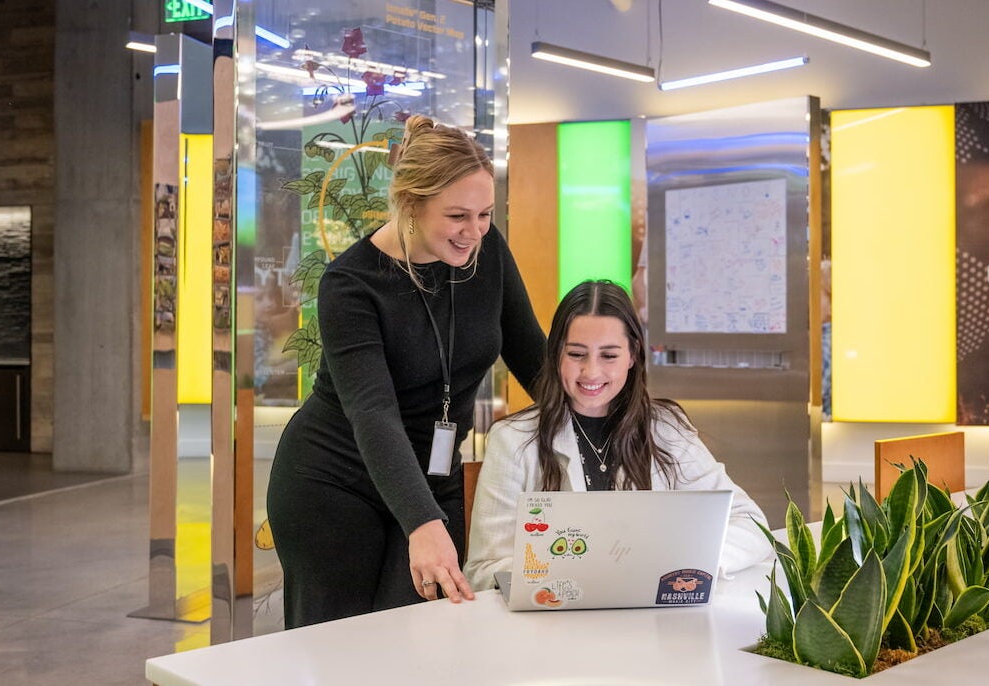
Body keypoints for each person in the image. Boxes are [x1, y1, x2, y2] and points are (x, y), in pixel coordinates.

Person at [266, 114, 546, 628]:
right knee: (339, 652)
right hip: (335, 480)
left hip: (432, 475)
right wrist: (422, 521)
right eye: (458, 215)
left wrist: (618, 421)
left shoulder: (488, 252)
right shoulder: (350, 285)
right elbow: (372, 412)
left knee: (422, 642)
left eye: (484, 214)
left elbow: (533, 357)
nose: (474, 232)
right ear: (410, 205)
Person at [464, 280, 774, 590]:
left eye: (609, 356)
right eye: (576, 354)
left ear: (632, 355)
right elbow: (484, 569)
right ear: (556, 354)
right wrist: (580, 574)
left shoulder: (666, 428)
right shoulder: (514, 439)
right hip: (556, 625)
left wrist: (684, 564)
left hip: (655, 624)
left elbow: (752, 525)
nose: (591, 372)